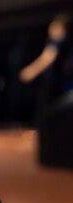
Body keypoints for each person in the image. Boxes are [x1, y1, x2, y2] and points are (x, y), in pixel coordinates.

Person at [19, 13, 73, 168]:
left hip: (52, 83)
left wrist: (31, 70)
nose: (50, 29)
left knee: (46, 109)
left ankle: (42, 134)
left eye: (53, 26)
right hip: (62, 83)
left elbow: (48, 58)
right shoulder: (67, 43)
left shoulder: (56, 40)